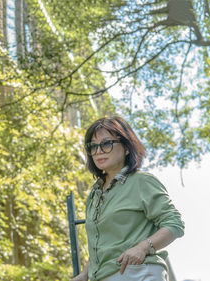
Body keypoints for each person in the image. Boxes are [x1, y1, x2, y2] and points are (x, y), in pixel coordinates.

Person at [71, 116, 184, 281]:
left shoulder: (142, 182)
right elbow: (102, 246)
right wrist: (84, 274)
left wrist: (143, 248)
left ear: (126, 147)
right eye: (93, 146)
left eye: (107, 143)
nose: (99, 151)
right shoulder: (94, 195)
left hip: (139, 274)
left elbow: (174, 224)